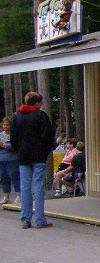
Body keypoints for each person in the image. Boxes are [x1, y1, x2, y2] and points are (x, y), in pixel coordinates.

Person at [10, 92, 56, 229]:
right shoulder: (41, 116)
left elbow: (13, 138)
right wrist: (45, 152)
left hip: (23, 156)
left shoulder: (17, 117)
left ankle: (25, 219)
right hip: (38, 156)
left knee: (25, 187)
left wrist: (19, 150)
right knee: (38, 187)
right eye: (41, 103)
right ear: (36, 103)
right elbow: (47, 136)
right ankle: (40, 219)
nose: (41, 105)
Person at [0, 116, 20, 204]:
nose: (5, 127)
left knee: (15, 178)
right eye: (4, 125)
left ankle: (18, 195)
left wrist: (5, 145)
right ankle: (6, 196)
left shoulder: (14, 135)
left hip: (12, 160)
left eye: (7, 125)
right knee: (4, 179)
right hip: (2, 160)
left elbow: (15, 146)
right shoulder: (0, 135)